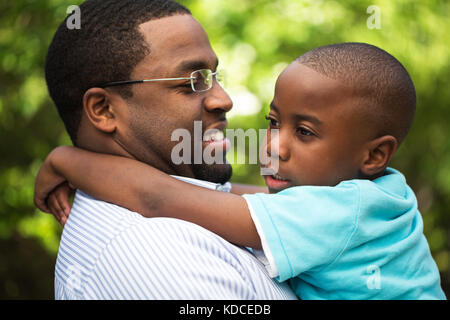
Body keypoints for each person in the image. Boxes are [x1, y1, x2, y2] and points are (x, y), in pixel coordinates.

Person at [36, 42, 446, 299]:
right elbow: (234, 197)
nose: (273, 146)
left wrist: (66, 160)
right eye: (273, 122)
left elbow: (157, 198)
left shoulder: (340, 213)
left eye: (304, 132)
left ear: (374, 156)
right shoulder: (375, 193)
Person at [39, 0, 297, 299]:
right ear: (104, 110)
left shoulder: (190, 209)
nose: (223, 99)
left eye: (214, 77)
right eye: (191, 82)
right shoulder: (156, 251)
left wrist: (70, 161)